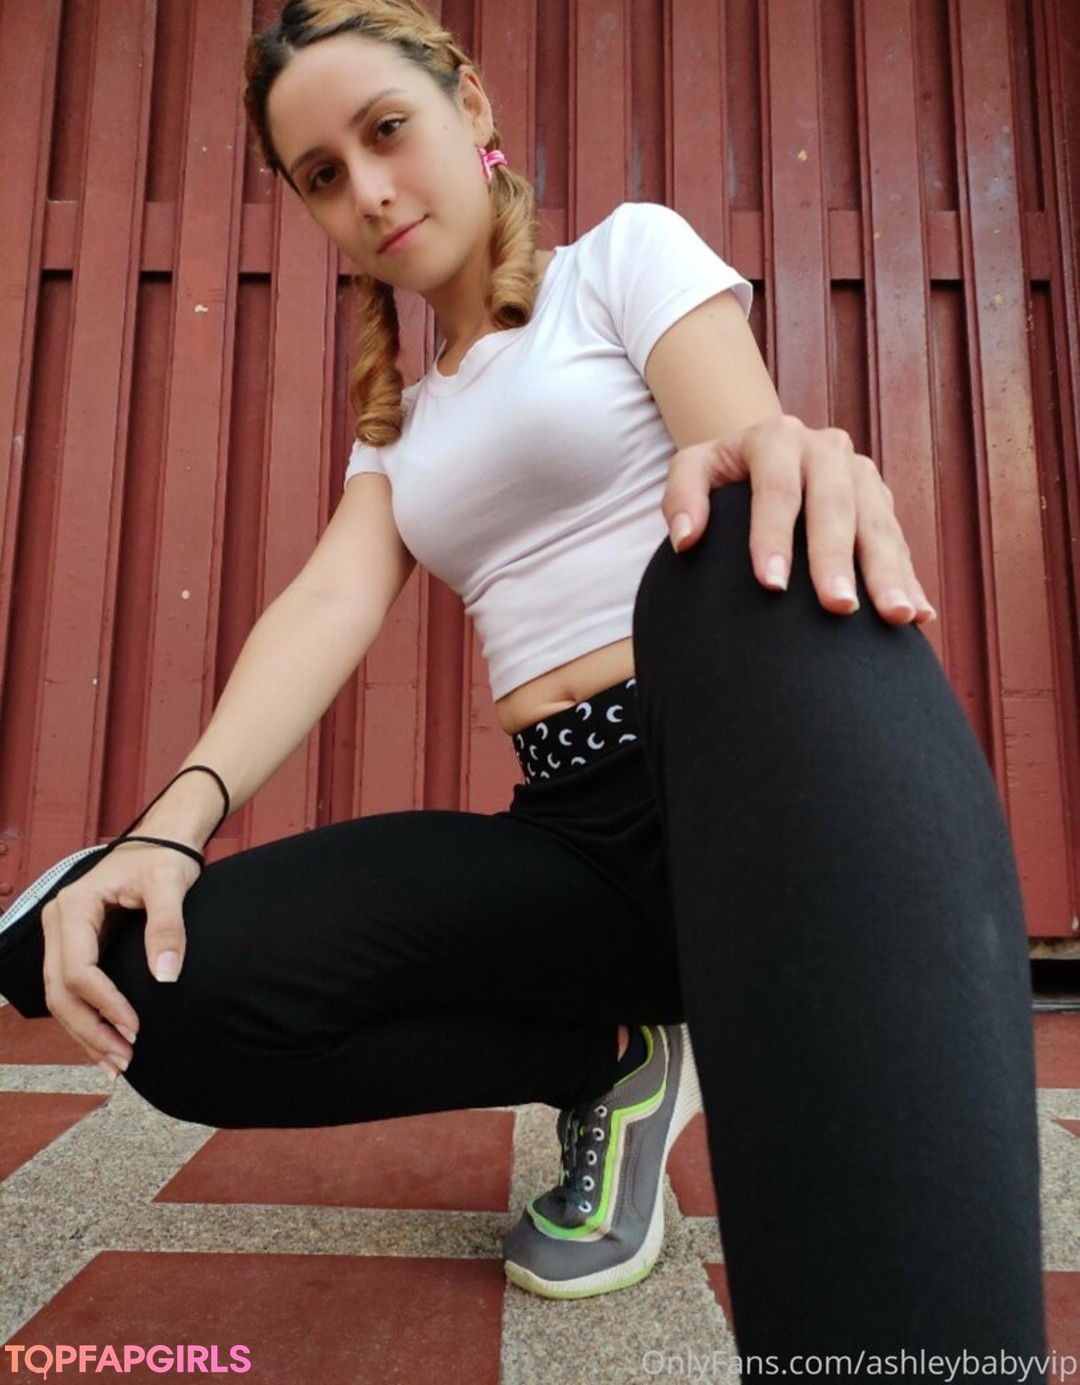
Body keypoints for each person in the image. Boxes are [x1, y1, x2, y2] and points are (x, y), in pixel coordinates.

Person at [31, 0, 1046, 1368]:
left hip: (750, 788)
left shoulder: (621, 261)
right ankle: (607, 1060)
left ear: (473, 110)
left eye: (388, 130)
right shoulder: (401, 429)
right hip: (580, 853)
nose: (368, 189)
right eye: (323, 174)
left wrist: (795, 457)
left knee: (725, 546)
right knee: (160, 997)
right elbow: (327, 604)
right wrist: (169, 827)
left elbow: (742, 457)